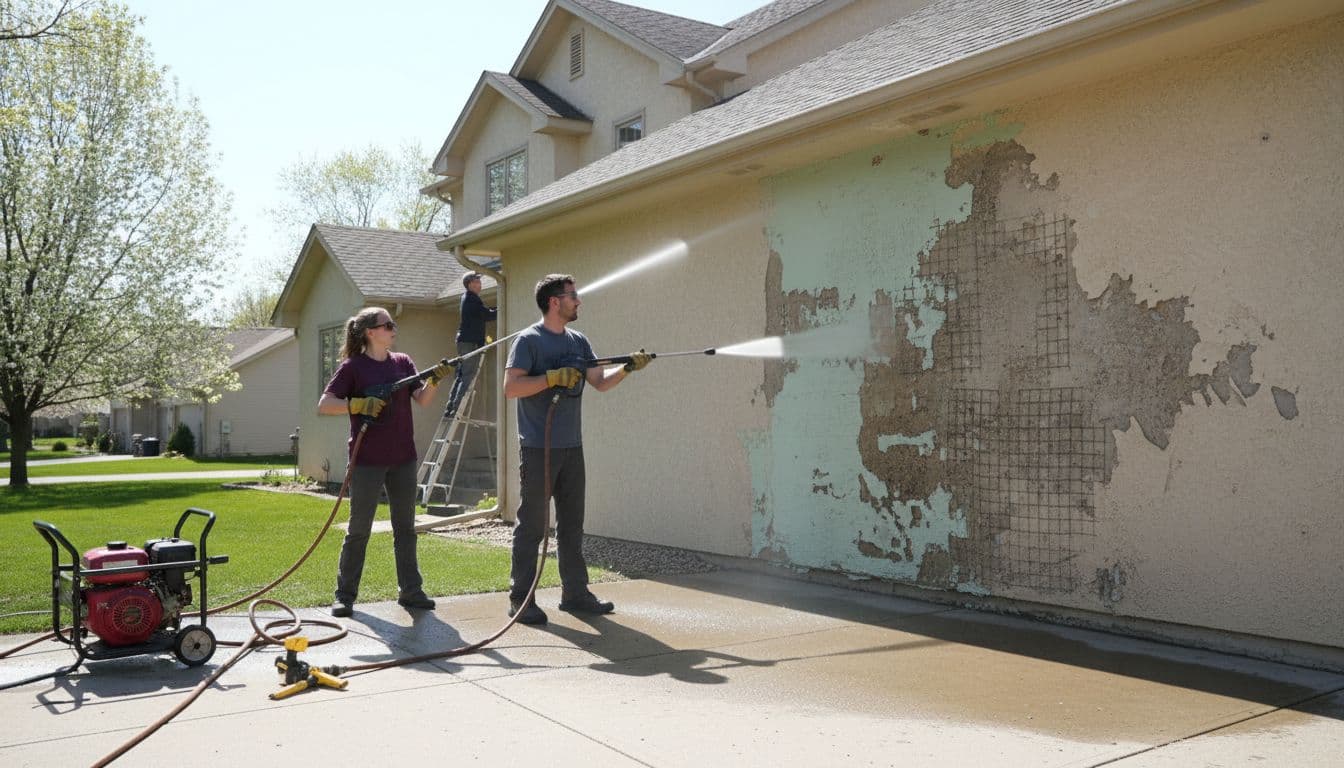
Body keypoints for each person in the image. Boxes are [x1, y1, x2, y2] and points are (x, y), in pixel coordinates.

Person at [503, 274, 651, 625]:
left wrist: (627, 369)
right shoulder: (528, 341)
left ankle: (575, 594)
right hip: (539, 447)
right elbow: (511, 387)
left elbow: (599, 382)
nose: (579, 301)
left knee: (572, 525)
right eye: (573, 295)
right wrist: (551, 378)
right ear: (555, 301)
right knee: (532, 526)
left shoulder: (579, 341)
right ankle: (520, 600)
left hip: (572, 446)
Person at [318, 307, 452, 617]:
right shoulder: (353, 368)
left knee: (405, 528)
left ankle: (411, 591)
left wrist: (434, 381)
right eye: (387, 325)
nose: (393, 328)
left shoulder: (403, 363)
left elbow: (422, 399)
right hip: (367, 460)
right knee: (359, 529)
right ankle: (345, 595)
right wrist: (358, 403)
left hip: (403, 458)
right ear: (370, 332)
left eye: (393, 324)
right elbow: (325, 404)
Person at [443, 271, 497, 420]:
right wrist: (502, 309)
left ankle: (450, 407)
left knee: (461, 374)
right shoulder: (471, 299)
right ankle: (455, 408)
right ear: (469, 284)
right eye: (476, 282)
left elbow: (484, 313)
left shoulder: (468, 298)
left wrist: (496, 310)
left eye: (479, 282)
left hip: (465, 341)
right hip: (470, 342)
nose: (479, 285)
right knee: (467, 374)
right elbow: (486, 315)